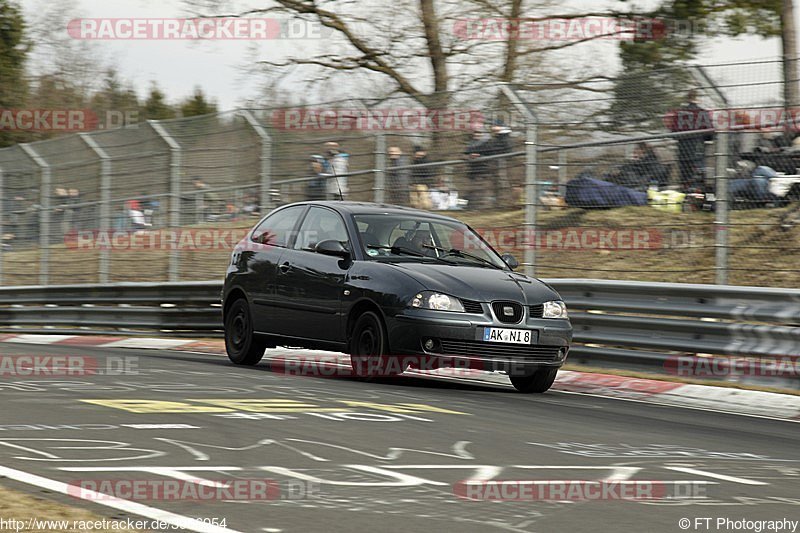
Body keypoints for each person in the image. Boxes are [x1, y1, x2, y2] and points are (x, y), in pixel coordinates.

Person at [667, 90, 714, 192]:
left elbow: (673, 133)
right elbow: (710, 134)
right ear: (698, 99)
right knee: (697, 175)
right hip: (697, 148)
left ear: (687, 99)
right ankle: (697, 195)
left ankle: (686, 194)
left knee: (684, 176)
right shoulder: (702, 113)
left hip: (683, 149)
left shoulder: (679, 114)